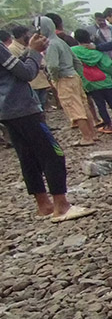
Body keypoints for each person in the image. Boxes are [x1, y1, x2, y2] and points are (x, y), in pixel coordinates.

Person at [1, 31, 91, 221]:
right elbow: (25, 73)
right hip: (23, 109)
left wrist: (28, 51)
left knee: (27, 157)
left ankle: (43, 205)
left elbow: (12, 70)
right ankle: (61, 205)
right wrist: (34, 52)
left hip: (7, 112)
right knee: (52, 154)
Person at [37, 16, 97, 145]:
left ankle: (87, 137)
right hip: (74, 76)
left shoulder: (51, 45)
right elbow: (77, 61)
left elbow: (53, 65)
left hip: (64, 79)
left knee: (74, 108)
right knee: (83, 105)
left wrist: (54, 78)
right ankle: (92, 134)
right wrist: (79, 75)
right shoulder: (61, 41)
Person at [73, 29, 112, 133]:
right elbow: (108, 65)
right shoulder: (96, 49)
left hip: (90, 82)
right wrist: (108, 75)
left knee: (100, 105)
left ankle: (108, 126)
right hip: (105, 80)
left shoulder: (73, 51)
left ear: (76, 39)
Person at [7, 25, 53, 109]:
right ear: (23, 35)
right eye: (28, 34)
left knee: (41, 105)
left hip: (40, 80)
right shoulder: (12, 49)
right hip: (31, 83)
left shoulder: (29, 46)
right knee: (36, 106)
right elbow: (19, 67)